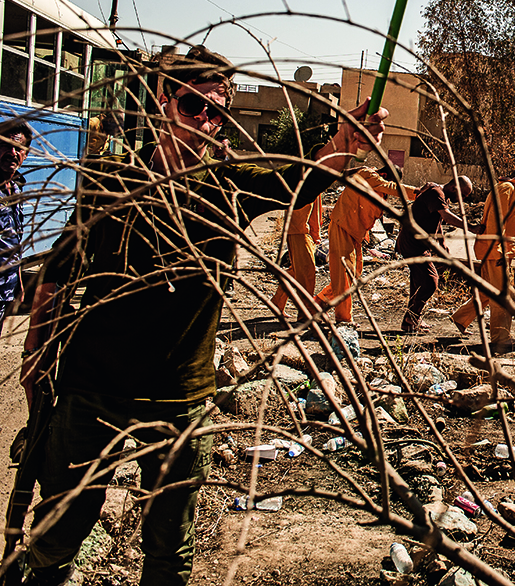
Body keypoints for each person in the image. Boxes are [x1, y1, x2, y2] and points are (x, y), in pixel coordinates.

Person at [19, 45, 386, 586]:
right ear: (165, 102)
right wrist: (36, 355)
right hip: (92, 389)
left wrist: (344, 144)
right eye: (194, 106)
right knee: (55, 538)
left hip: (180, 398)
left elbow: (301, 179)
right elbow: (58, 272)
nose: (206, 122)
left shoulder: (229, 186)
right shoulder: (111, 181)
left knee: (170, 554)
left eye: (218, 111)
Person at [451, 168, 515, 350]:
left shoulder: (512, 192)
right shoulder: (506, 190)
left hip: (495, 250)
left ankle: (461, 318)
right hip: (495, 251)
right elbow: (495, 222)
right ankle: (500, 337)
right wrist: (498, 251)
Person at [315, 167, 417, 324]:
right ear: (384, 175)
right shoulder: (369, 175)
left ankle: (321, 301)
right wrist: (418, 192)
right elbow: (391, 187)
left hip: (355, 232)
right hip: (343, 226)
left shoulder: (376, 185)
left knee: (355, 272)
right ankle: (343, 319)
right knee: (344, 275)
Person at [396, 176, 472, 334]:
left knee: (418, 282)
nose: (463, 199)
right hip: (413, 243)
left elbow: (437, 224)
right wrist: (470, 227)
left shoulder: (441, 195)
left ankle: (413, 317)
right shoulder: (436, 193)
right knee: (431, 281)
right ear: (454, 187)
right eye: (463, 195)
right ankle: (411, 318)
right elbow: (445, 216)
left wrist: (442, 247)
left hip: (418, 244)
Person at [269, 194, 323, 315]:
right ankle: (305, 313)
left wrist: (315, 233)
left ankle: (278, 302)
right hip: (300, 229)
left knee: (296, 270)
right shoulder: (307, 179)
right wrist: (313, 232)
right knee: (307, 273)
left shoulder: (314, 179)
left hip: (301, 229)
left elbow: (315, 209)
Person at [0, 121, 30, 332]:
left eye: (18, 148)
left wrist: (18, 280)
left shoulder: (16, 189)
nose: (12, 152)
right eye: (6, 145)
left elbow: (14, 242)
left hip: (5, 287)